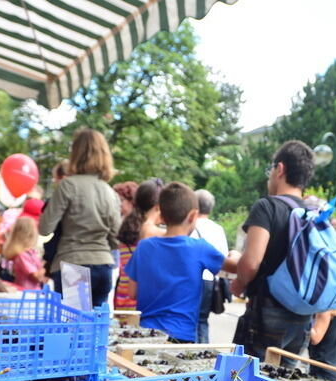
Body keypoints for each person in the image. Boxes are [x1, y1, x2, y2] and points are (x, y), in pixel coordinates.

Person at [232, 140, 317, 362]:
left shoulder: (267, 207)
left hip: (267, 314)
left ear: (280, 169)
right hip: (302, 318)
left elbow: (251, 262)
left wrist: (239, 283)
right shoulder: (312, 214)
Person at [125, 182, 233, 342]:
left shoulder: (144, 247)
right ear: (193, 216)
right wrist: (236, 255)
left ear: (161, 215)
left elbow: (132, 292)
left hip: (146, 334)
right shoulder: (200, 248)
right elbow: (236, 267)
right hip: (181, 335)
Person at [38, 128, 121, 308]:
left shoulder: (67, 186)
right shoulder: (110, 192)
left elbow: (45, 228)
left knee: (73, 329)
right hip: (103, 265)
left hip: (72, 264)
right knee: (94, 329)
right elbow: (116, 238)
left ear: (75, 153)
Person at [114, 179, 163, 310]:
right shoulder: (155, 233)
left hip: (122, 296)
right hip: (141, 301)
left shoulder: (126, 225)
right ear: (158, 206)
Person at [193, 189, 229, 343]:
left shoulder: (190, 226)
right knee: (202, 320)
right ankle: (204, 353)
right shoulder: (218, 229)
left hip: (193, 279)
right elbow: (224, 258)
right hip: (210, 280)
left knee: (190, 320)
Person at [1, 217, 47, 291]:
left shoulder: (28, 253)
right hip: (27, 293)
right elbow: (36, 277)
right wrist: (45, 267)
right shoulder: (23, 255)